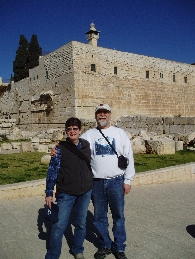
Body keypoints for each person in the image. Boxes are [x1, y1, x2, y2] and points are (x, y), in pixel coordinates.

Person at [80, 104, 135, 259]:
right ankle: (105, 244)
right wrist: (59, 146)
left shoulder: (119, 133)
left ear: (110, 115)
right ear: (95, 115)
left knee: (118, 216)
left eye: (105, 112)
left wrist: (128, 180)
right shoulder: (89, 135)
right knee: (99, 217)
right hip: (96, 182)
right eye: (99, 113)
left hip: (116, 181)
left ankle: (119, 247)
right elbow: (74, 146)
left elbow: (129, 156)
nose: (102, 115)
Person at [45, 117, 93, 259]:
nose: (72, 131)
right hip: (66, 193)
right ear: (66, 131)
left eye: (75, 129)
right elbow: (52, 171)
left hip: (85, 191)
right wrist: (48, 193)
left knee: (81, 223)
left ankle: (78, 249)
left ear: (80, 130)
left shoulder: (86, 145)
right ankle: (53, 254)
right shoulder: (59, 149)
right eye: (69, 129)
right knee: (59, 225)